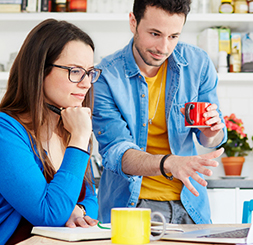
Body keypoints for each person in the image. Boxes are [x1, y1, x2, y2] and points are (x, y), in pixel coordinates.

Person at [92, 0, 227, 224]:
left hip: (192, 206)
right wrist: (169, 163)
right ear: (133, 22)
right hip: (133, 208)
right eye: (155, 34)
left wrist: (211, 131)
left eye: (173, 36)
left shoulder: (198, 64)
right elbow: (116, 152)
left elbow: (212, 138)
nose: (163, 48)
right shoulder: (105, 76)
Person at [0, 19, 101, 244]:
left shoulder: (70, 129)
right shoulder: (5, 131)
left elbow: (92, 201)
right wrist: (80, 137)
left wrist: (79, 212)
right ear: (39, 70)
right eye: (75, 71)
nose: (86, 84)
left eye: (90, 72)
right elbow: (48, 214)